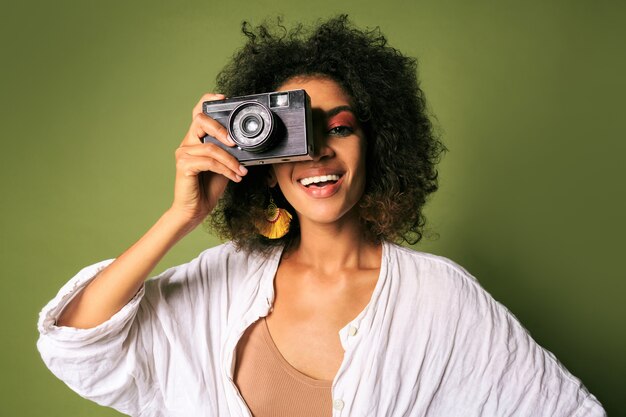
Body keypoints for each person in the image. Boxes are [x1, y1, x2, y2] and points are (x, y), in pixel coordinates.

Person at [37, 15, 605, 417]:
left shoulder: (440, 299)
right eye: (290, 134)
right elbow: (76, 344)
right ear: (260, 158)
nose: (316, 154)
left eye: (338, 127)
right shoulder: (222, 281)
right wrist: (181, 216)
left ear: (375, 142)